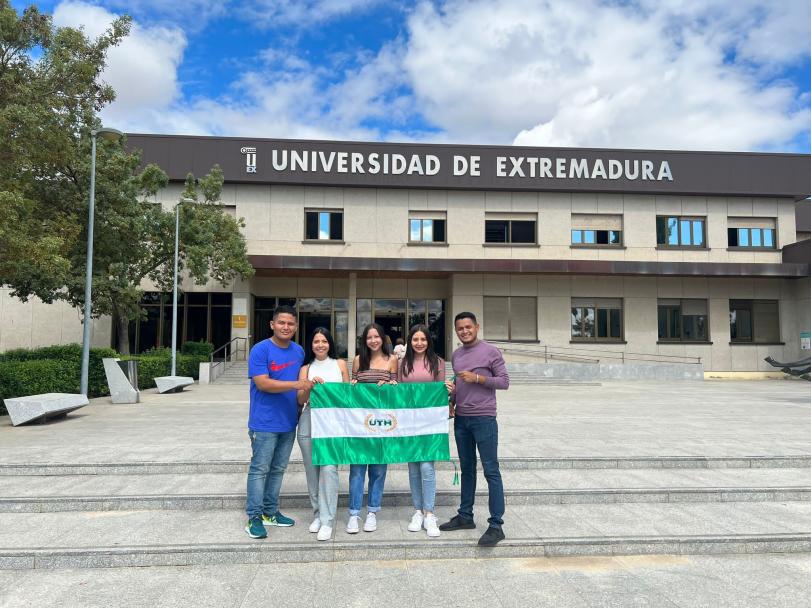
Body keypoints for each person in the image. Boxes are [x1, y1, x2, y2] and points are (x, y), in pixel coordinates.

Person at [441, 311, 510, 547]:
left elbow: (504, 382)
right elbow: (461, 384)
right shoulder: (457, 354)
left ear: (477, 327)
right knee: (467, 469)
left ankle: (496, 525)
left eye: (468, 327)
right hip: (462, 419)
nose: (464, 331)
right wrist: (451, 399)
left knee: (491, 470)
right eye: (460, 328)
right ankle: (465, 516)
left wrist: (478, 378)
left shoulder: (491, 352)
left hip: (484, 419)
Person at [245, 305, 313, 539]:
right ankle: (254, 517)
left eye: (290, 324)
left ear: (295, 327)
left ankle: (270, 512)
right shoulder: (260, 350)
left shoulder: (298, 351)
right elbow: (263, 383)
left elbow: (302, 385)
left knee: (277, 470)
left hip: (288, 422)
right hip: (263, 423)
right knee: (259, 470)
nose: (286, 327)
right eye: (281, 323)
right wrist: (296, 386)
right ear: (272, 324)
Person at [296, 327, 350, 542]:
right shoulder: (305, 368)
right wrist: (309, 386)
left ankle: (328, 520)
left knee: (329, 470)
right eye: (316, 341)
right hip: (309, 421)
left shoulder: (340, 364)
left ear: (330, 344)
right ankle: (318, 514)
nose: (320, 345)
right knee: (313, 472)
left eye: (324, 341)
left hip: (333, 424)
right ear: (311, 345)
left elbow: (348, 396)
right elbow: (300, 399)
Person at [347, 323, 398, 534]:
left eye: (377, 336)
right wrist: (351, 384)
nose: (373, 340)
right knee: (357, 470)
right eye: (369, 337)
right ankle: (354, 514)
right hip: (360, 426)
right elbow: (353, 387)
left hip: (381, 426)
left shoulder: (392, 360)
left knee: (378, 470)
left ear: (383, 338)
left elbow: (396, 391)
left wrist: (390, 387)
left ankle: (372, 512)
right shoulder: (358, 360)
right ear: (364, 340)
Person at [398, 324, 445, 538]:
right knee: (413, 467)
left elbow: (440, 392)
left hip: (430, 424)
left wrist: (448, 392)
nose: (419, 343)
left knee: (427, 467)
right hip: (409, 422)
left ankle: (429, 512)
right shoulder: (402, 363)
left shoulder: (438, 363)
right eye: (415, 339)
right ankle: (417, 511)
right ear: (410, 341)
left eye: (423, 339)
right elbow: (397, 391)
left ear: (428, 341)